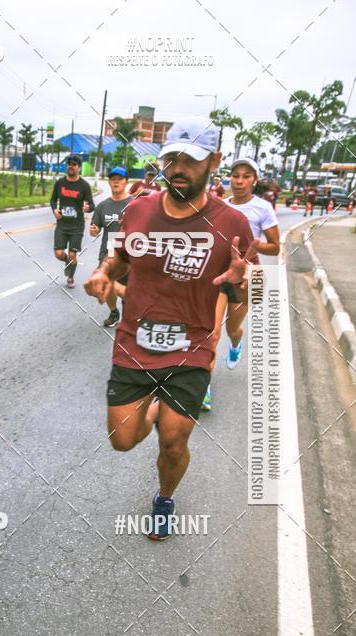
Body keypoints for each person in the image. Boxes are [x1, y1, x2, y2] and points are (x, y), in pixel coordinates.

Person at [84, 118, 256, 541]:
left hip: (191, 347)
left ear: (213, 161)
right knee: (122, 440)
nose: (178, 168)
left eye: (190, 160)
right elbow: (122, 258)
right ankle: (156, 406)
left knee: (174, 442)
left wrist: (240, 286)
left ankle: (164, 498)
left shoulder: (232, 224)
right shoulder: (139, 209)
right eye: (171, 158)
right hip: (133, 343)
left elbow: (242, 295)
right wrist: (105, 271)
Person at [209, 158, 280, 387]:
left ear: (254, 180)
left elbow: (275, 246)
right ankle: (203, 387)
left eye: (246, 176)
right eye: (235, 175)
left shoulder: (263, 207)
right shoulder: (219, 204)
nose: (239, 181)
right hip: (220, 272)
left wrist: (253, 245)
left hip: (248, 276)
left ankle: (236, 343)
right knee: (212, 334)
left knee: (231, 329)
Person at [89, 167, 133, 327]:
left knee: (128, 289)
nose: (116, 181)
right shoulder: (103, 206)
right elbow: (95, 228)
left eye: (119, 179)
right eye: (113, 179)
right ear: (109, 182)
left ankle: (128, 310)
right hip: (107, 252)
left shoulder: (135, 204)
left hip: (129, 253)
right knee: (107, 283)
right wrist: (93, 230)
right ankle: (114, 312)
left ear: (126, 182)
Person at [50, 154, 94, 288]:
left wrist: (87, 208)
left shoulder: (84, 186)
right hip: (62, 225)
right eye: (69, 163)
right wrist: (54, 210)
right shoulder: (60, 183)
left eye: (74, 164)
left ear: (79, 168)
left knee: (73, 254)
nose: (71, 166)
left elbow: (92, 206)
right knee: (58, 253)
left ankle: (70, 277)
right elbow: (53, 200)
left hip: (76, 226)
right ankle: (67, 261)